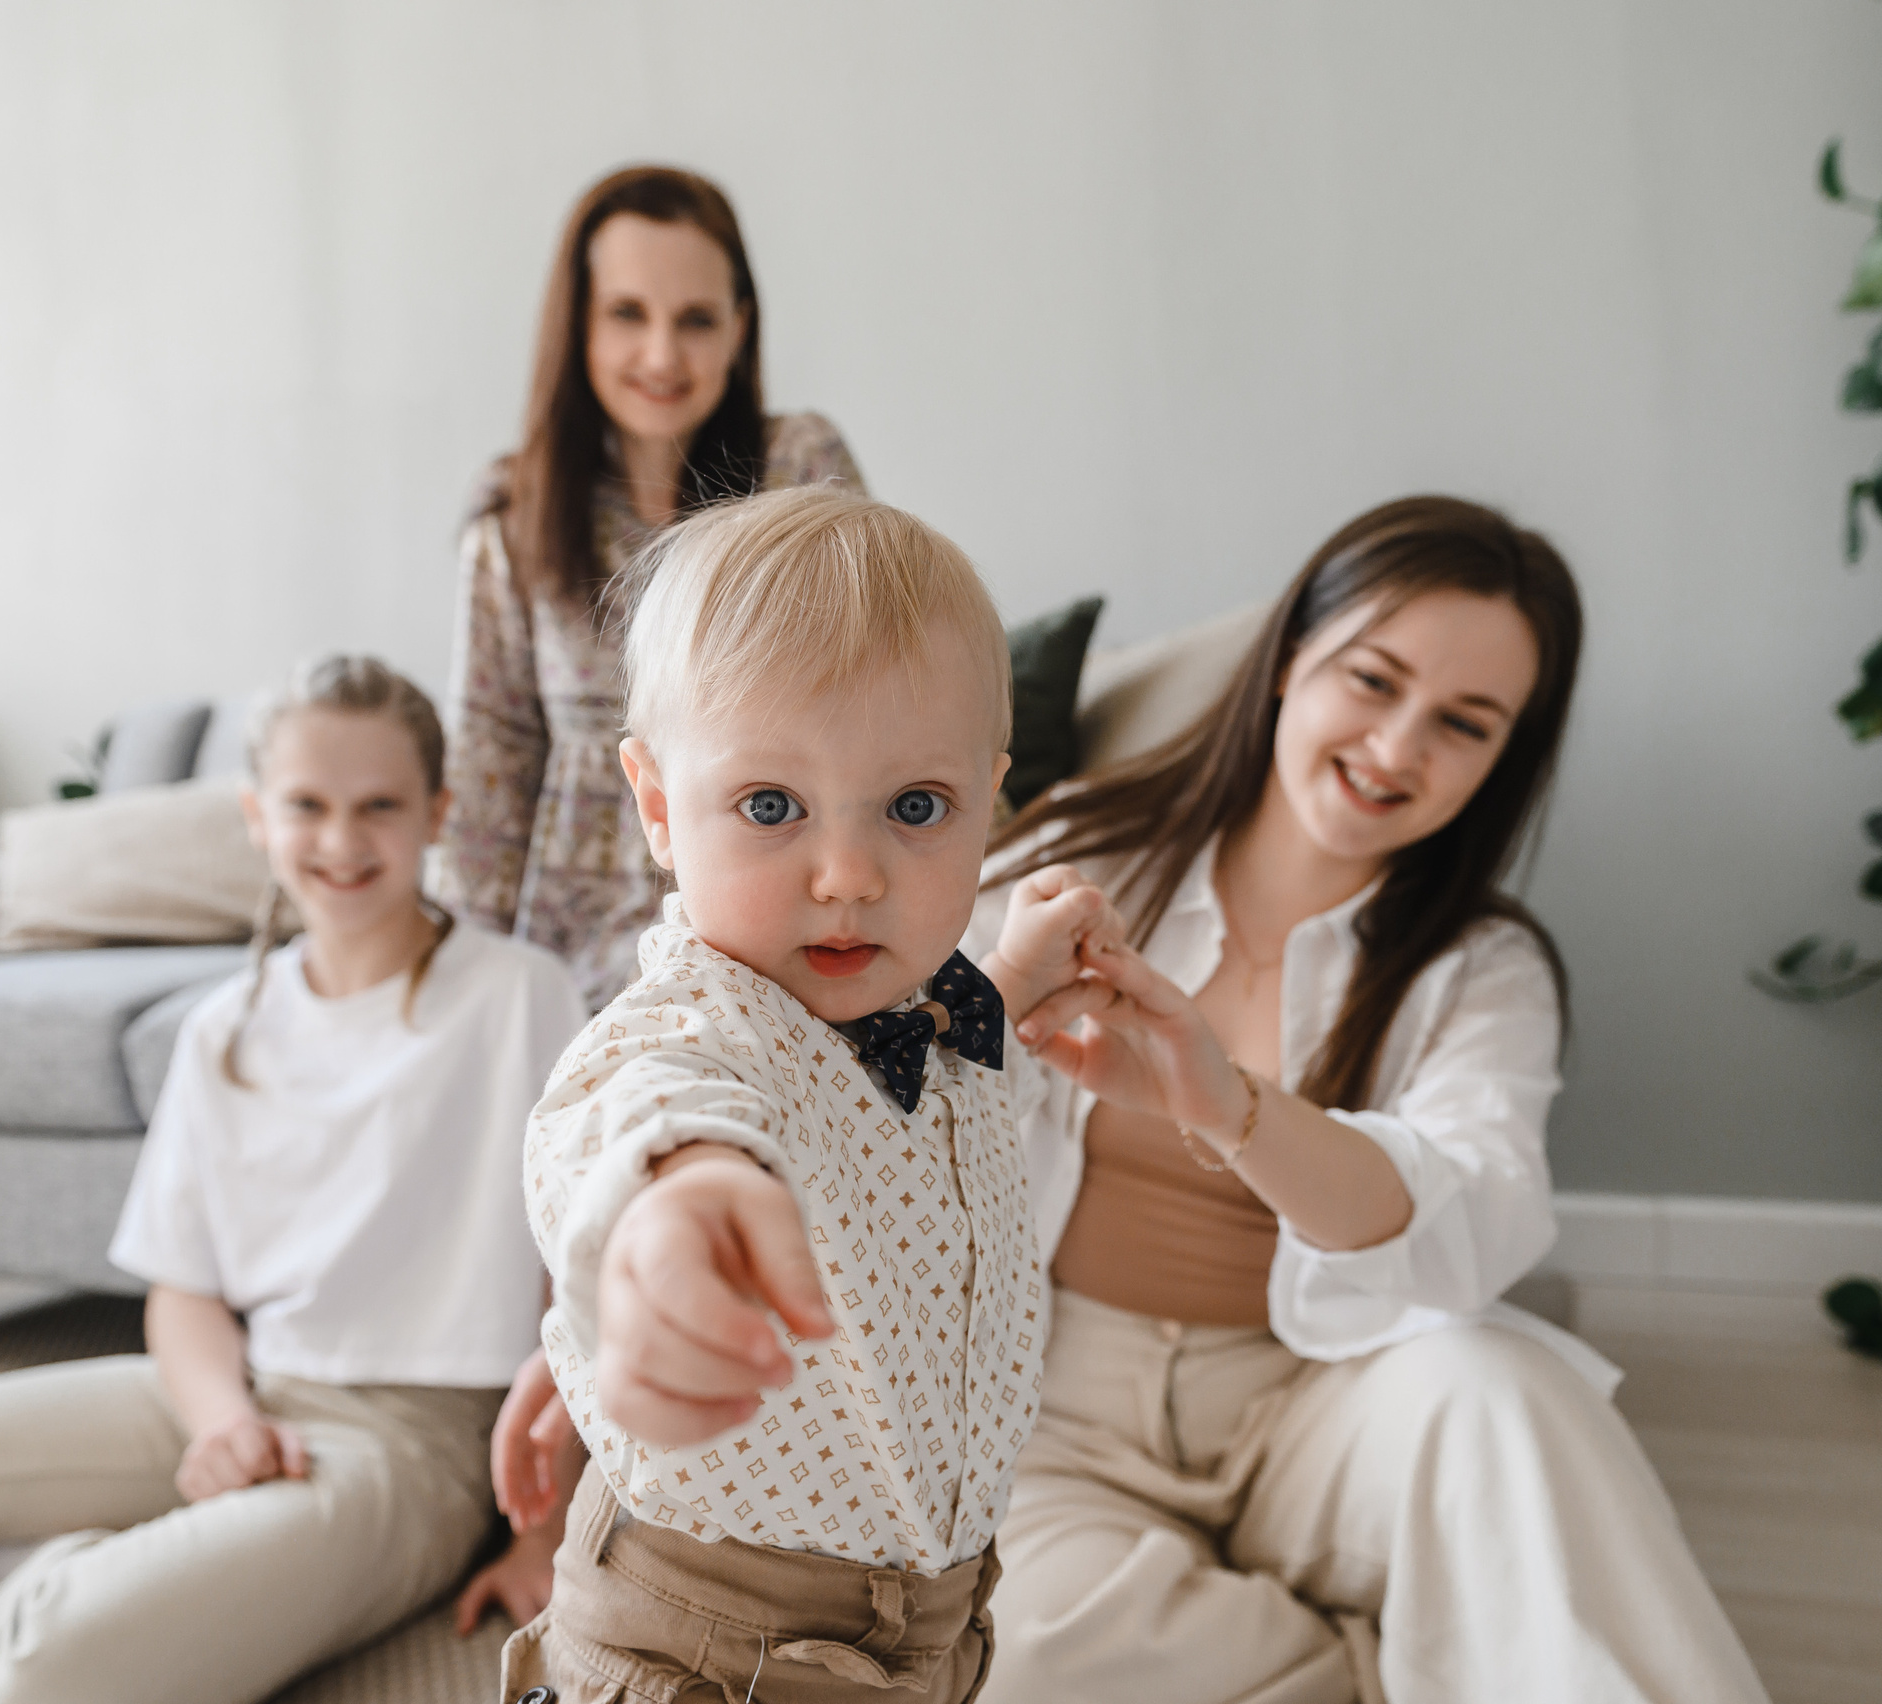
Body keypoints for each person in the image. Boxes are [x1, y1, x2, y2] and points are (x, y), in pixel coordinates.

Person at [0, 656, 587, 1704]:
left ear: (436, 812)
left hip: (416, 1448)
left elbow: (573, 1283)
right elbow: (185, 1291)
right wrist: (222, 1421)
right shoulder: (226, 1027)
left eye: (380, 806)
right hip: (239, 1395)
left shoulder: (517, 994)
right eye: (307, 805)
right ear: (256, 817)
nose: (342, 841)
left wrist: (542, 1530)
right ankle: (60, 1536)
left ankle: (23, 1559)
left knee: (57, 1663)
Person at [965, 497, 1771, 1703]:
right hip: (1058, 1410)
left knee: (1508, 1391)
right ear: (1291, 659)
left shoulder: (1480, 970)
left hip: (1313, 1401)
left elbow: (1470, 1223)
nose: (1398, 749)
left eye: (1463, 723)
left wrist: (1227, 1103)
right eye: (1374, 680)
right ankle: (1387, 1662)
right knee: (1018, 1649)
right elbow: (883, 1081)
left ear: (1503, 758)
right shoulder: (1084, 855)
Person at [502, 487, 1108, 1704]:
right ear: (661, 810)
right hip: (712, 1635)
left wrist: (1019, 973)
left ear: (988, 802)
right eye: (770, 808)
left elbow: (906, 1088)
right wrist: (667, 1232)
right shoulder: (687, 1030)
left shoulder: (930, 1010)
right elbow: (652, 1123)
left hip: (936, 1614)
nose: (848, 878)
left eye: (916, 809)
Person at [444, 163, 865, 1010]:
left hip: (771, 898)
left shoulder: (800, 469)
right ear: (579, 325)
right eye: (628, 314)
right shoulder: (513, 520)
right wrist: (466, 983)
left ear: (740, 329)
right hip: (576, 949)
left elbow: (876, 692)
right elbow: (489, 769)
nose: (663, 355)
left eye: (698, 319)